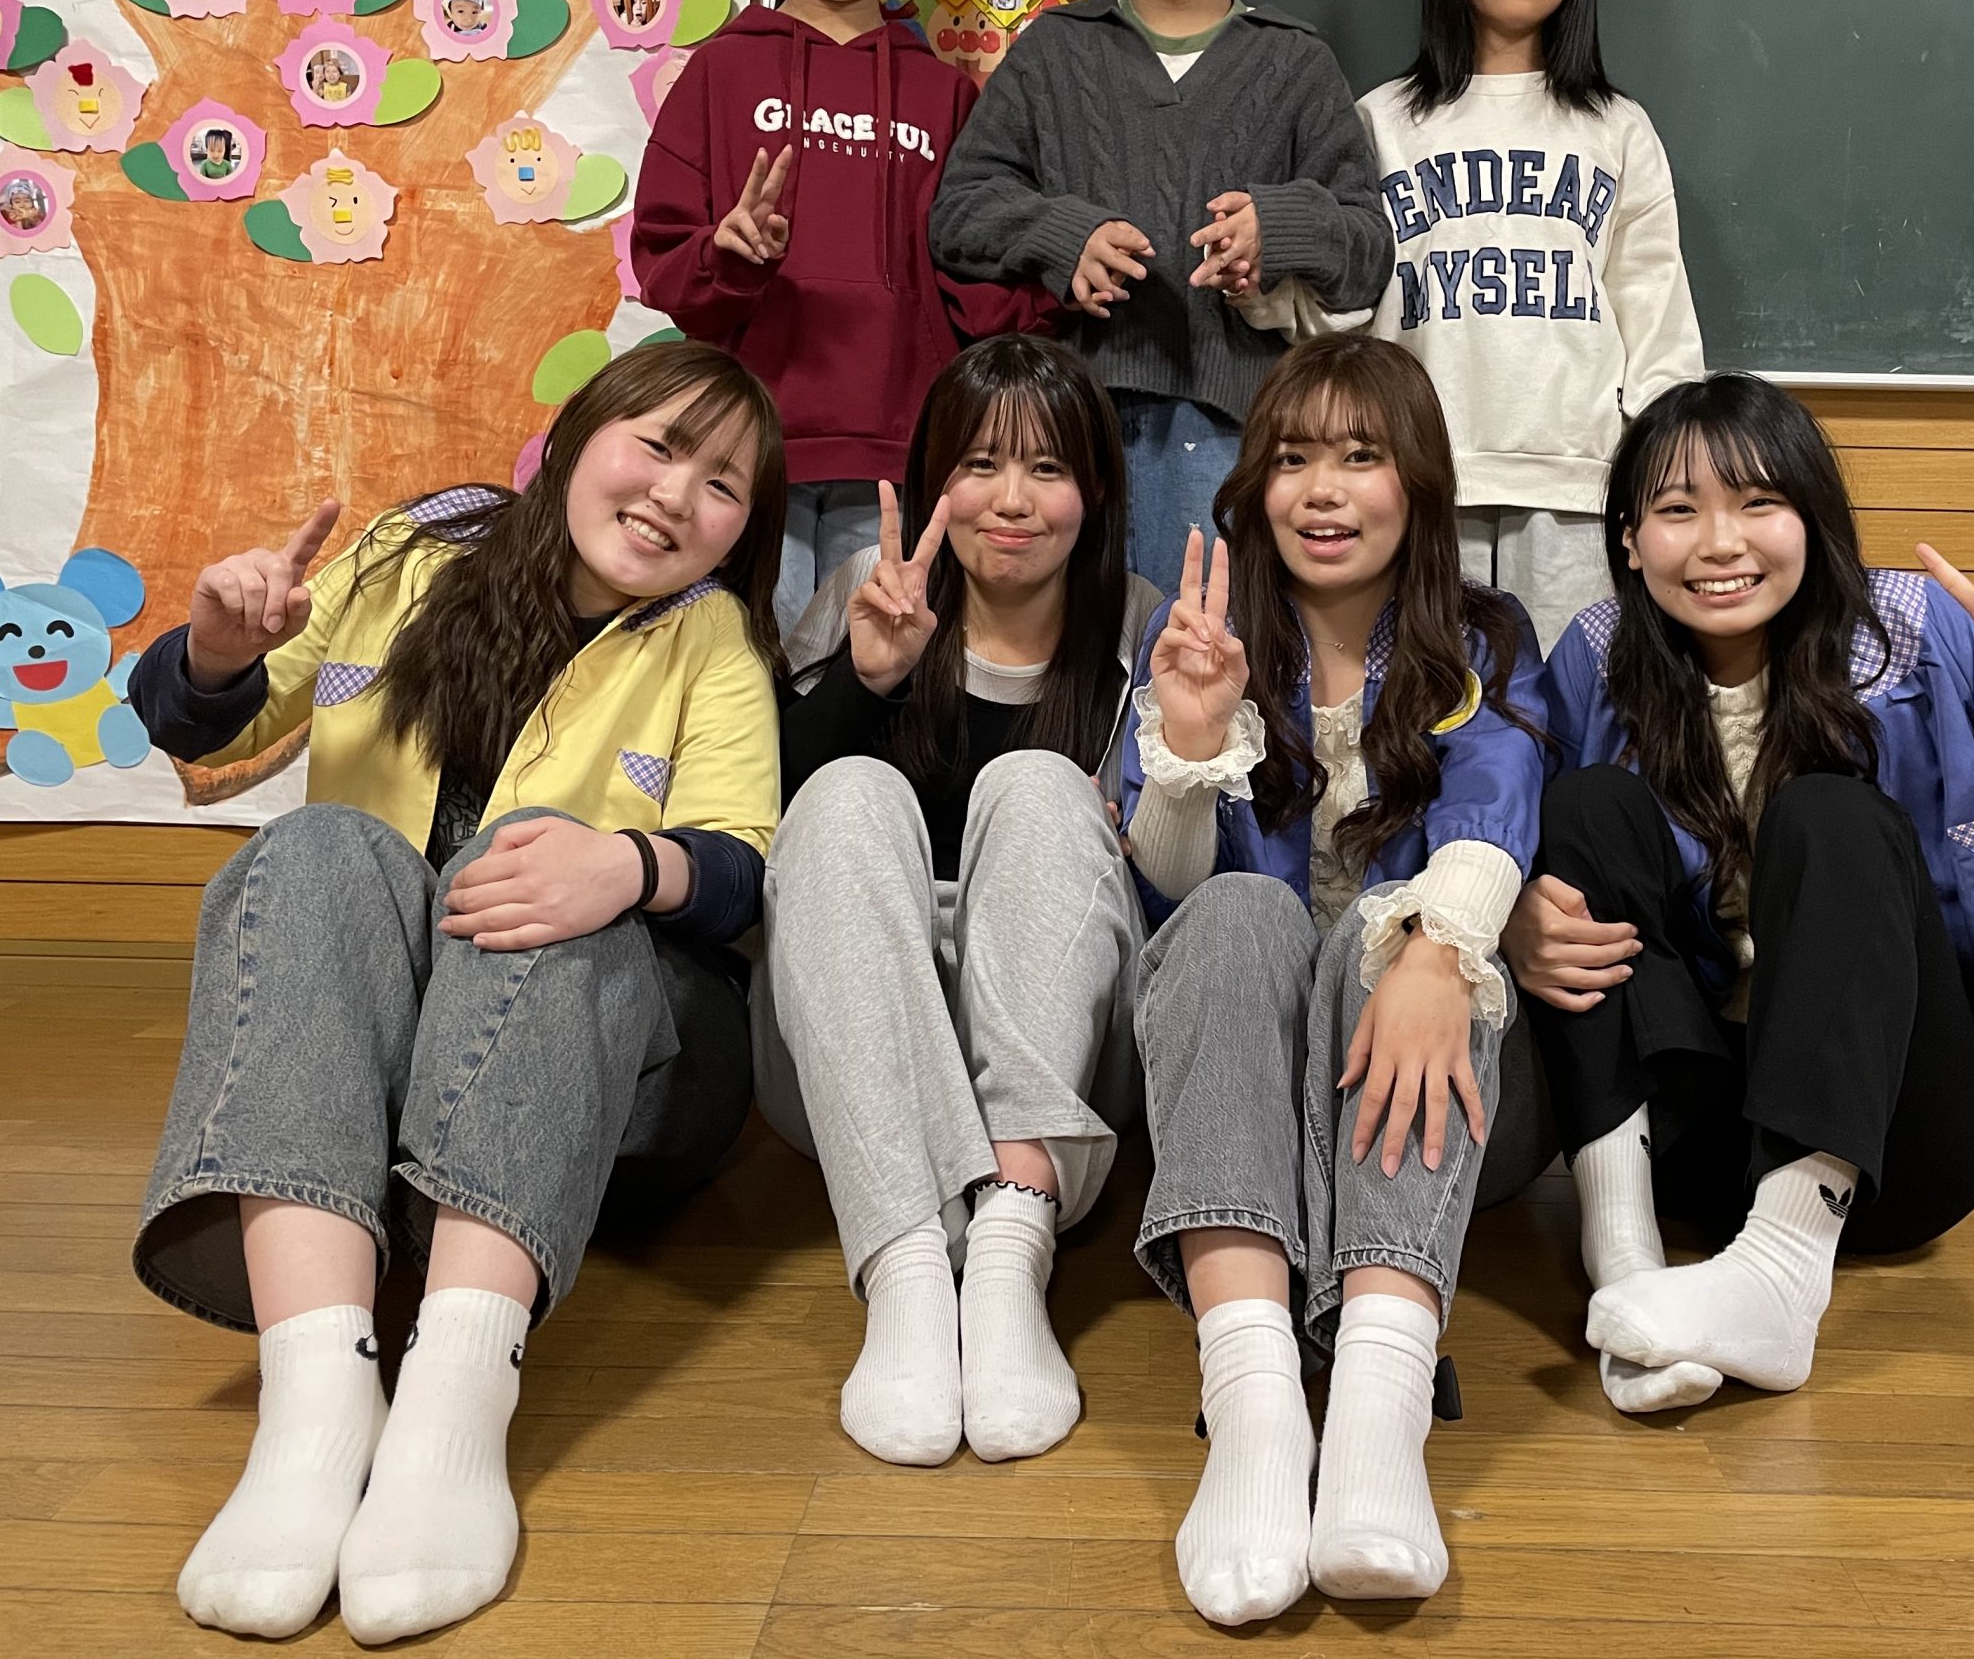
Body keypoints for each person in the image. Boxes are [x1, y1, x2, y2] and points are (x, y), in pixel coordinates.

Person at [128, 344, 787, 1645]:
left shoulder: (714, 639)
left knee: (529, 859)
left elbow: (741, 875)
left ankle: (453, 1405)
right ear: (578, 434)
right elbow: (202, 726)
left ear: (741, 531)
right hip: (380, 1080)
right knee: (311, 848)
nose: (676, 494)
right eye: (658, 445)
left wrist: (625, 864)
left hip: (612, 1075)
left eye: (723, 485)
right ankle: (315, 1407)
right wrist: (212, 651)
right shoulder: (411, 555)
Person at [1503, 371, 1974, 1417]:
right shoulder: (1599, 653)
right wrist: (1518, 917)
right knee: (1583, 805)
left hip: (1895, 1144)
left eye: (1757, 502)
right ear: (1631, 540)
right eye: (1679, 509)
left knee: (1828, 813)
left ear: (1812, 516)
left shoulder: (1914, 626)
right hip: (1695, 1146)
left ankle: (1781, 1271)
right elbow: (1506, 822)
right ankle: (1624, 1257)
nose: (1720, 542)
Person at [1120, 333, 1552, 1623]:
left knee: (1394, 920)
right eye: (1292, 457)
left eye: (1361, 457)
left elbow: (1496, 805)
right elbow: (1171, 901)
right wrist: (1189, 743)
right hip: (1238, 1097)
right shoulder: (1202, 636)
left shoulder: (1483, 637)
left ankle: (1376, 1401)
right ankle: (1254, 1400)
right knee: (1237, 908)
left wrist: (1435, 946)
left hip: (1426, 1074)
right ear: (1253, 485)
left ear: (1416, 483)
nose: (1322, 489)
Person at [760, 335, 1160, 1467]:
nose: (1012, 502)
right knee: (846, 791)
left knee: (1038, 785)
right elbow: (766, 830)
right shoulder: (871, 589)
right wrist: (864, 680)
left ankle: (1007, 1252)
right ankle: (902, 1259)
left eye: (1048, 469)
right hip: (853, 1068)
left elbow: (1175, 885)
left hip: (1057, 1074)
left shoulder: (1140, 628)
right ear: (934, 477)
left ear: (1096, 491)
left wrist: (1167, 771)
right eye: (980, 465)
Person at [1238, 0, 1703, 653]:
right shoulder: (1383, 121)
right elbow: (1346, 304)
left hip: (1573, 487)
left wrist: (1664, 479)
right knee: (1419, 701)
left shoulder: (1616, 128)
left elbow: (1657, 321)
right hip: (1411, 482)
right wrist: (1260, 291)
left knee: (1565, 706)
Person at [930, 0, 1393, 577]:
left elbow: (1368, 247)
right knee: (1080, 647)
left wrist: (1277, 229)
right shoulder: (1053, 51)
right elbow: (960, 211)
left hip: (1246, 435)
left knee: (1206, 643)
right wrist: (1062, 236)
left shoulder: (1294, 61)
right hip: (1068, 435)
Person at [634, 0, 1056, 638]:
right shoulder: (721, 71)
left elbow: (972, 275)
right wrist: (727, 255)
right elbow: (663, 264)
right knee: (751, 678)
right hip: (745, 450)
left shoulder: (945, 94)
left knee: (874, 681)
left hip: (902, 451)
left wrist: (1061, 285)